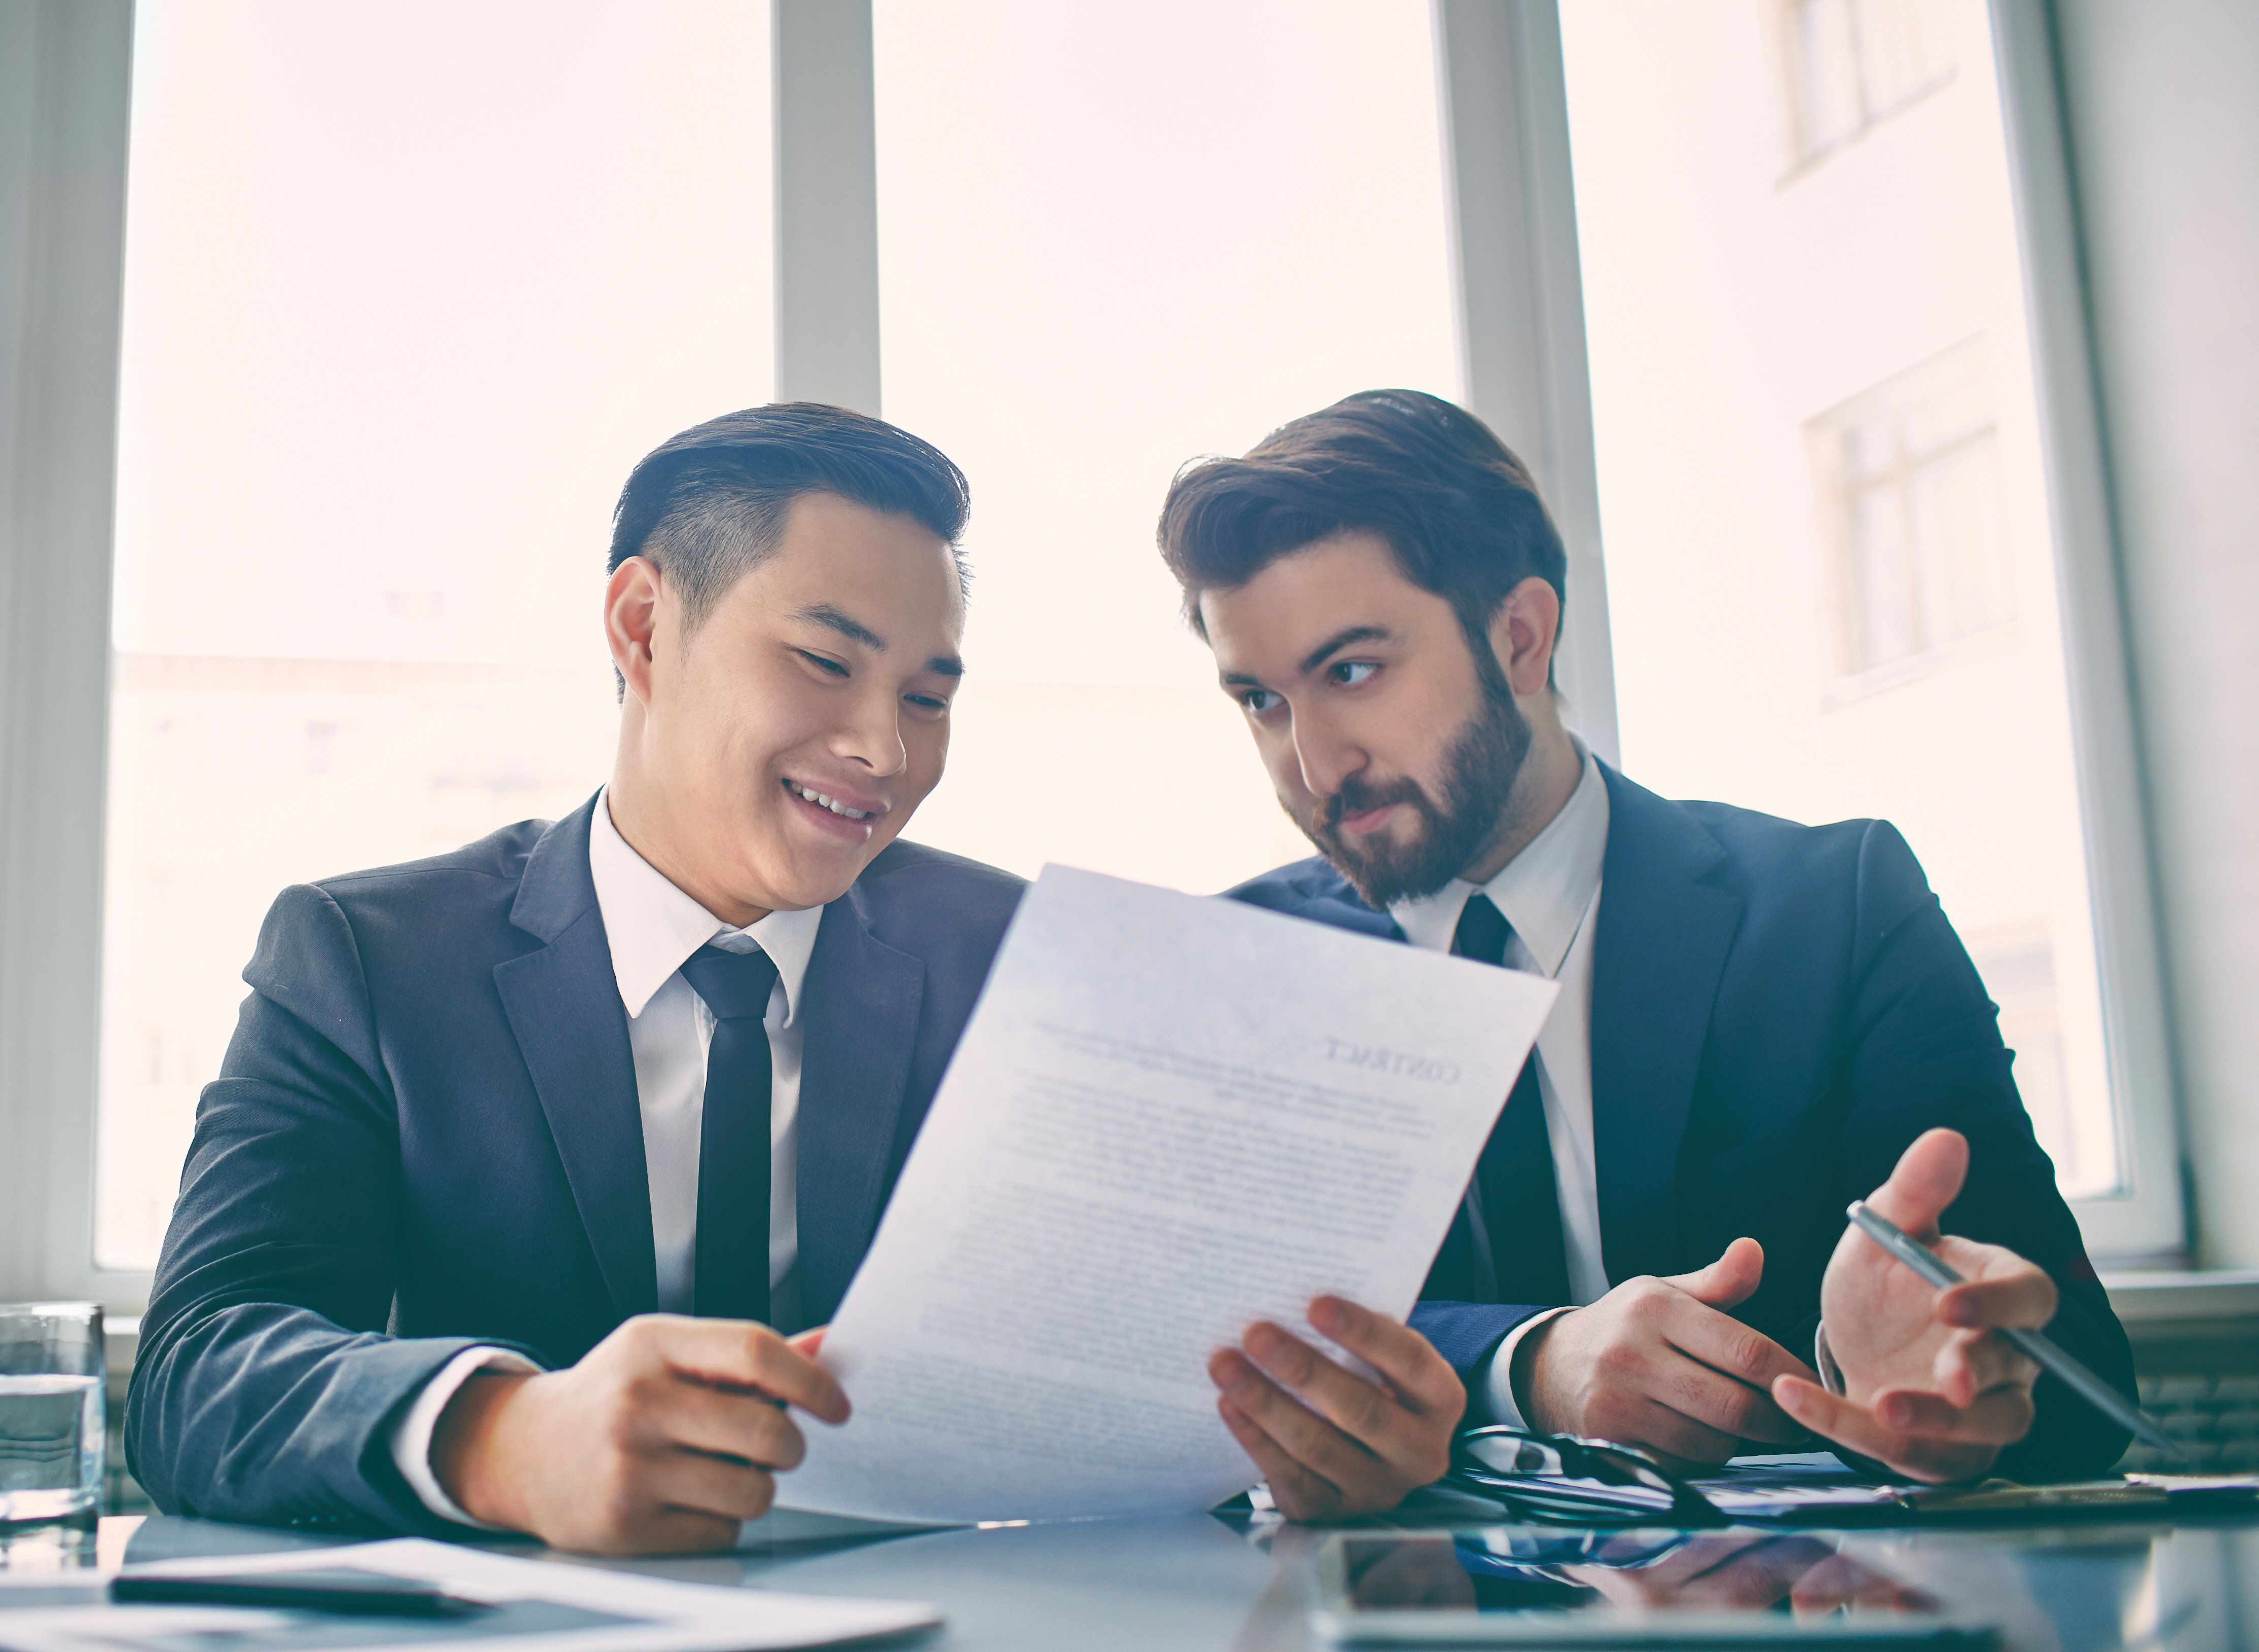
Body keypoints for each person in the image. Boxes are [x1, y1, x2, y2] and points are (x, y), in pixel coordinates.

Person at [127, 402, 1463, 1555]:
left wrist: (1321, 1442)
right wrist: (506, 1434)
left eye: (929, 696)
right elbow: (198, 1370)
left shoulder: (1026, 963)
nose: (882, 746)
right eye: (824, 662)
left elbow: (1175, 1386)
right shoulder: (369, 959)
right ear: (645, 627)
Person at [1162, 389, 2132, 1483]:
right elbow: (1208, 1356)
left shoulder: (1837, 910)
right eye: (1258, 700)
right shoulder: (1240, 966)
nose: (1310, 762)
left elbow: (2076, 1384)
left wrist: (1919, 1385)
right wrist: (1527, 1364)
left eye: (1350, 672)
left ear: (1519, 637)